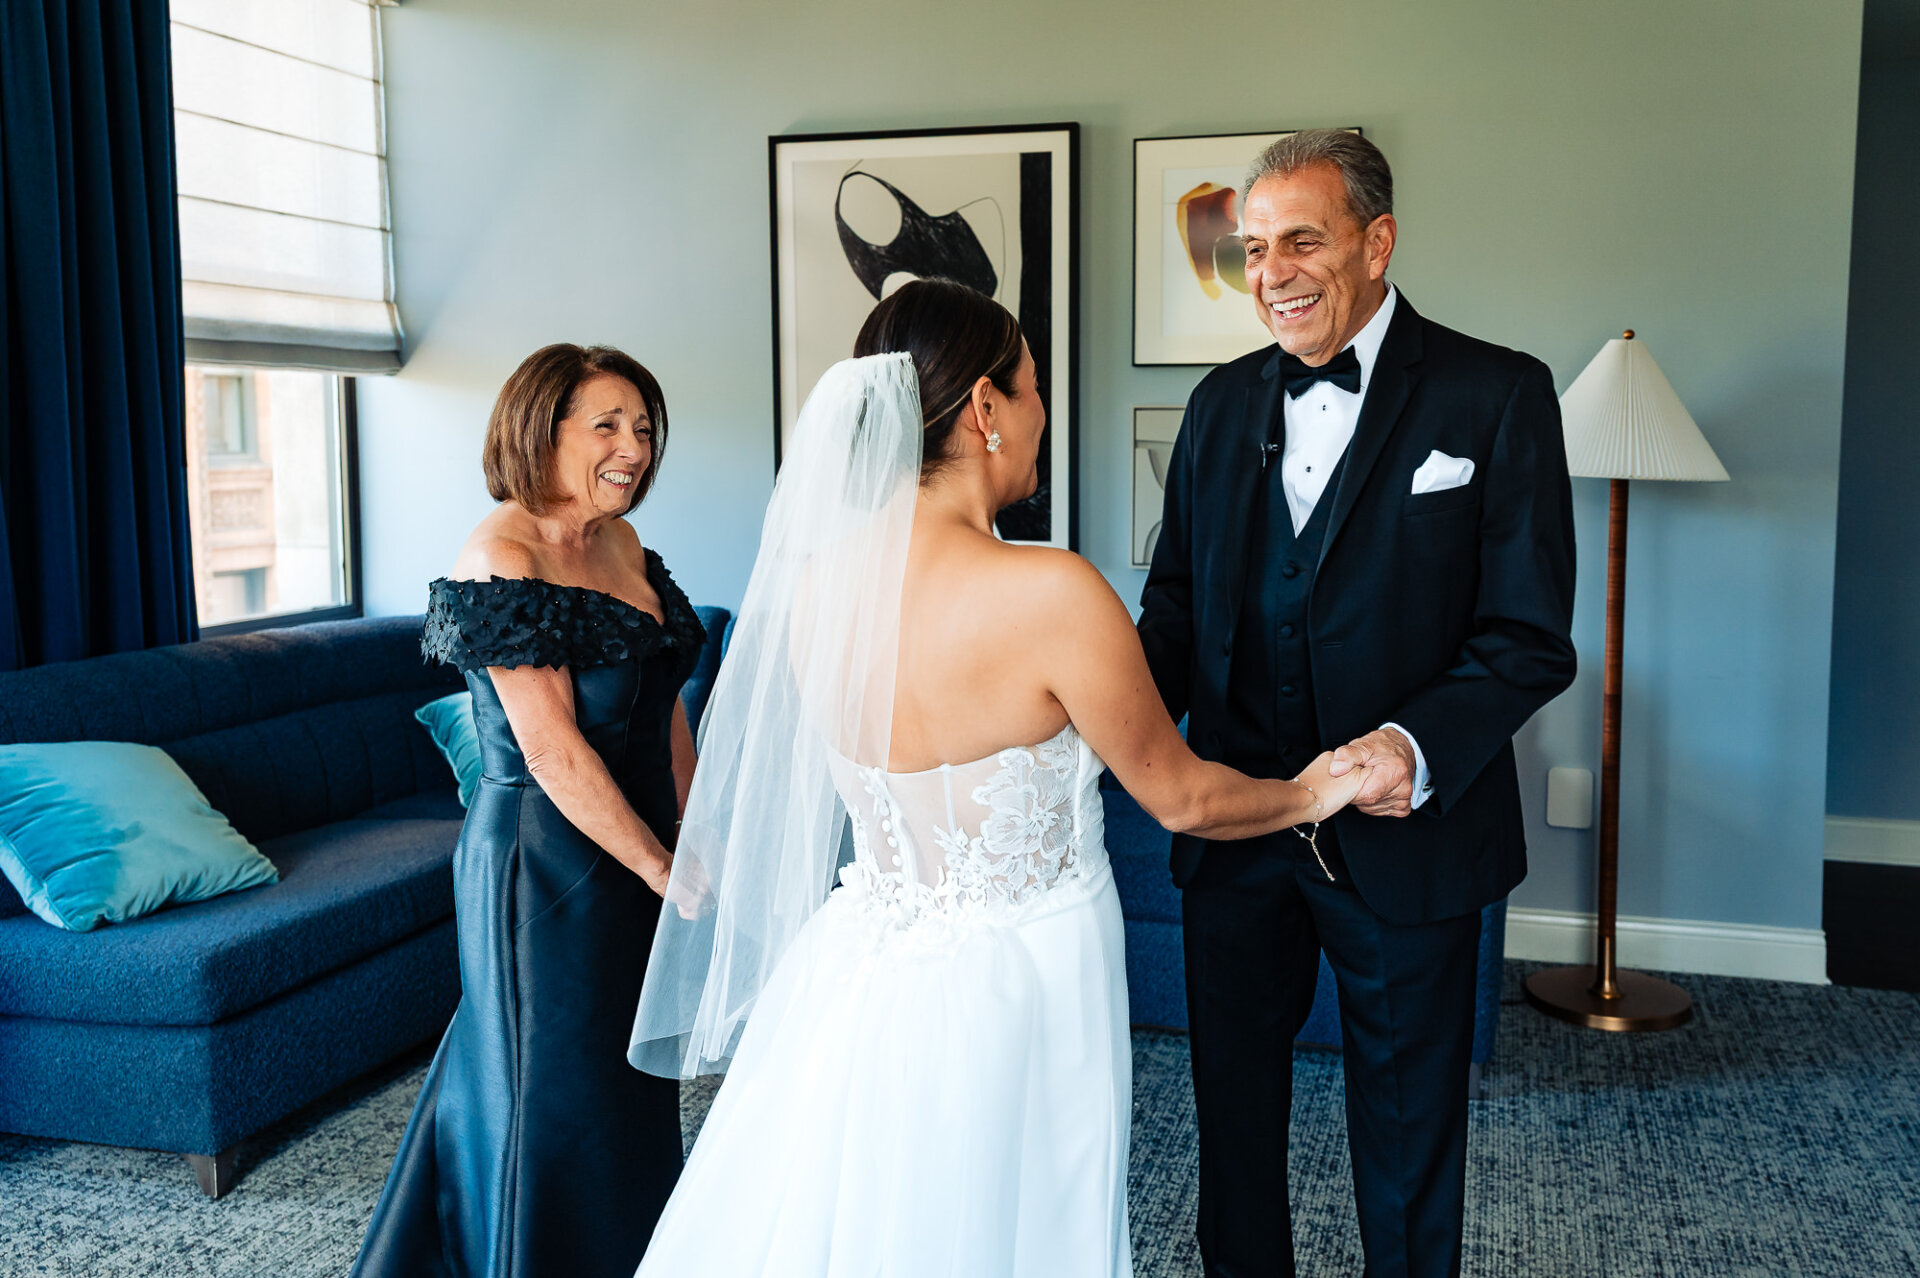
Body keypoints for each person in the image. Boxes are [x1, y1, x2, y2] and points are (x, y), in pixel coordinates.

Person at [627, 278, 1367, 1277]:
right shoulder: (1049, 591)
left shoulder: (815, 590)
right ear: (983, 408)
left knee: (868, 1209)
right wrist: (1314, 791)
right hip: (1032, 969)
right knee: (1023, 1215)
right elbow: (1182, 795)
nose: (1041, 415)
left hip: (862, 965)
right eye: (1030, 388)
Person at [1137, 129, 1578, 1278]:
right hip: (1237, 835)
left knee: (1408, 1129)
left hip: (1411, 839)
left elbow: (1528, 638)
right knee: (1231, 1120)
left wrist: (1407, 744)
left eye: (1301, 240)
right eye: (1251, 247)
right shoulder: (1218, 407)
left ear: (1377, 243)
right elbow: (1173, 618)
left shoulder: (1500, 394)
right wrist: (1081, 727)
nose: (1270, 270)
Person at [351, 344, 706, 1278]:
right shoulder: (499, 555)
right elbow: (549, 749)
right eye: (608, 425)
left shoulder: (621, 543)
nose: (634, 445)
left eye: (644, 426)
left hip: (634, 847)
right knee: (546, 1091)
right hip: (540, 870)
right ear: (540, 431)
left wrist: (696, 828)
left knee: (628, 1083)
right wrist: (663, 867)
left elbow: (663, 696)